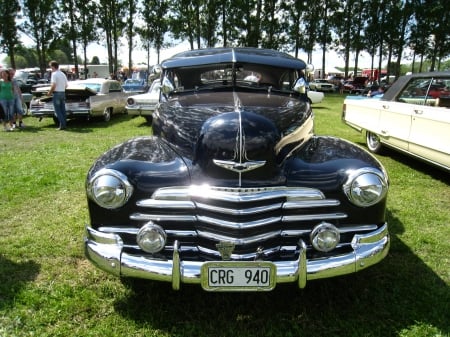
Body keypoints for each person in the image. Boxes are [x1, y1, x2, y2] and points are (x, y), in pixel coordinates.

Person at [47, 60, 68, 130]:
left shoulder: (54, 74)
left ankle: (63, 125)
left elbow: (54, 85)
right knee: (63, 110)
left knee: (57, 110)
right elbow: (66, 85)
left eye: (50, 67)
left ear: (53, 66)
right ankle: (63, 124)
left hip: (56, 93)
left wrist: (49, 92)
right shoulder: (62, 74)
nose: (50, 68)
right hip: (63, 92)